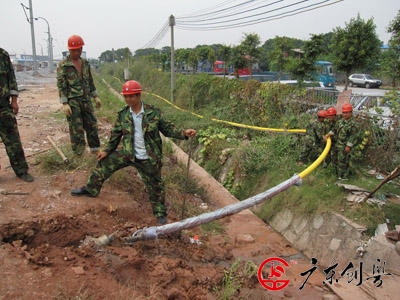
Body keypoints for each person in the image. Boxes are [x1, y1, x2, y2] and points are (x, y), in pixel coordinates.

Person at [70, 80, 197, 225]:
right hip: (128, 153)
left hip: (148, 157)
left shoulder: (153, 112)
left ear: (139, 95)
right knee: (104, 164)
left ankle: (160, 214)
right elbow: (116, 134)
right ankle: (91, 189)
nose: (128, 100)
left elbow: (168, 129)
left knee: (155, 186)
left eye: (131, 96)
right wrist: (106, 151)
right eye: (126, 97)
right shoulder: (123, 114)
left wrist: (184, 133)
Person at [57, 35, 102, 155]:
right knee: (76, 128)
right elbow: (61, 84)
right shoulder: (64, 65)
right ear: (69, 50)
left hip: (86, 99)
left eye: (78, 49)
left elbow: (90, 80)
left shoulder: (85, 63)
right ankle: (79, 153)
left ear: (82, 49)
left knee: (91, 124)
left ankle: (95, 149)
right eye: (73, 50)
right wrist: (64, 103)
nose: (76, 52)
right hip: (73, 101)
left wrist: (95, 96)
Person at [0, 48, 34, 182]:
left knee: (13, 141)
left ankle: (21, 171)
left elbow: (11, 78)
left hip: (3, 107)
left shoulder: (3, 56)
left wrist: (14, 100)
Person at [335, 103, 359, 180]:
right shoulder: (340, 122)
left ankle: (344, 177)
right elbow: (335, 129)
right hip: (338, 144)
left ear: (351, 113)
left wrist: (348, 146)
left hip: (345, 145)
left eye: (346, 112)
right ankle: (339, 175)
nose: (344, 114)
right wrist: (329, 134)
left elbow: (353, 136)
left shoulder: (353, 124)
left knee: (343, 161)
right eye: (343, 112)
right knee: (338, 160)